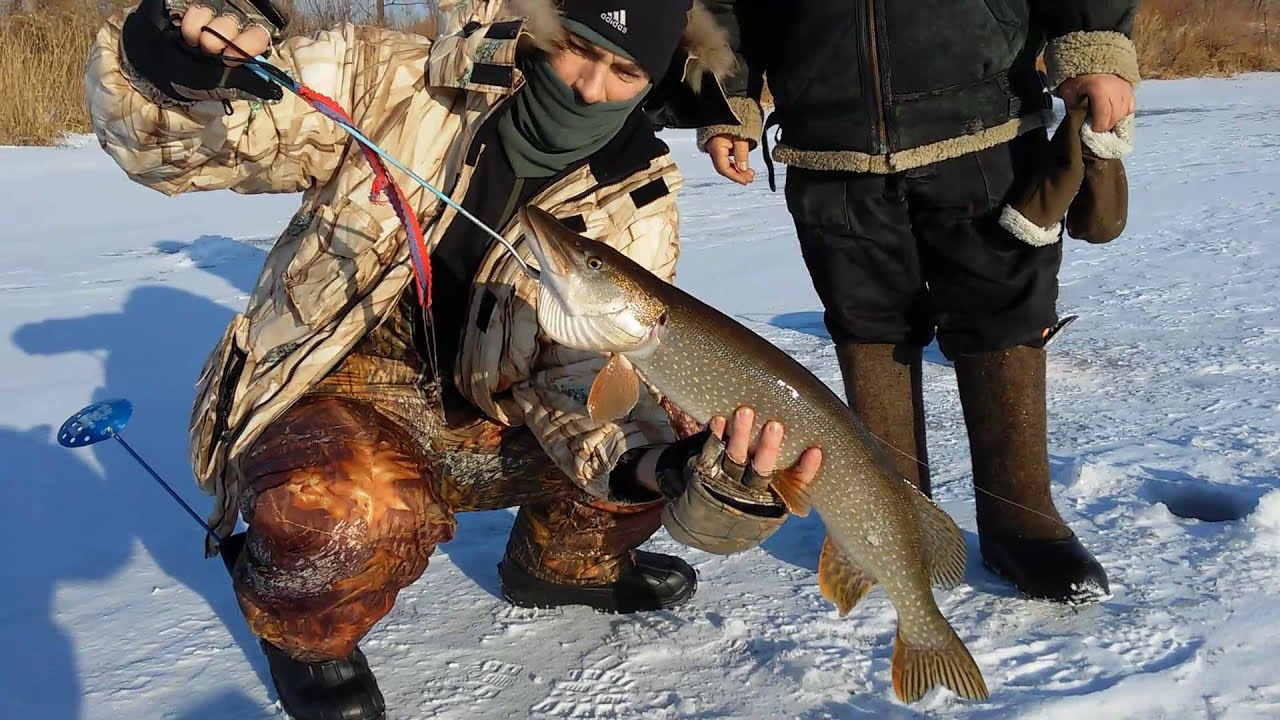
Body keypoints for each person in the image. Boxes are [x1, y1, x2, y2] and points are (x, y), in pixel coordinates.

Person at [85, 1, 823, 718]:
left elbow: (574, 384)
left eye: (624, 71)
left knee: (651, 424)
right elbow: (179, 145)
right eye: (579, 48)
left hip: (488, 409)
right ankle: (307, 637)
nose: (589, 87)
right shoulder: (396, 77)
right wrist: (175, 55)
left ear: (653, 78)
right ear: (542, 26)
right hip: (336, 385)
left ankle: (563, 569)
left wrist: (681, 474)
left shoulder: (637, 197)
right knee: (349, 507)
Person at [697, 1, 1140, 605]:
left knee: (1003, 314)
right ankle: (892, 521)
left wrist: (1098, 47)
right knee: (866, 320)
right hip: (830, 143)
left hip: (986, 122)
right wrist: (728, 100)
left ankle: (1024, 523)